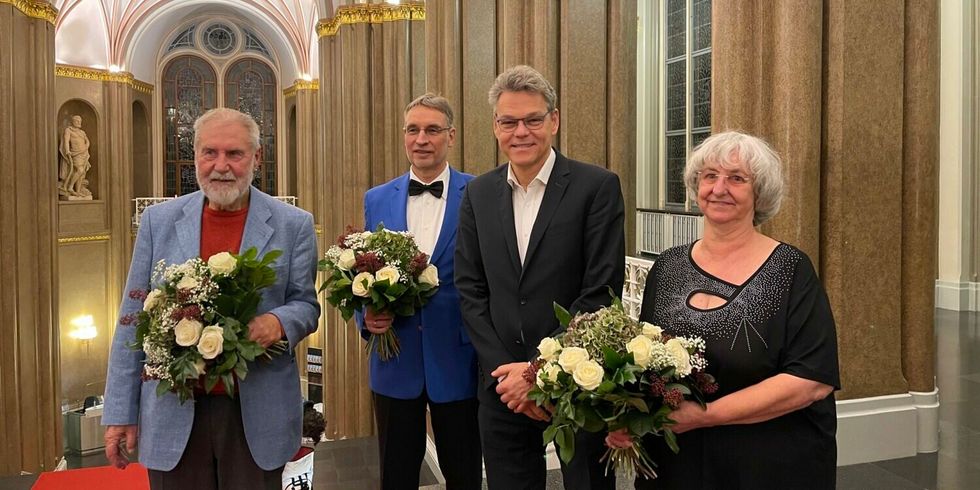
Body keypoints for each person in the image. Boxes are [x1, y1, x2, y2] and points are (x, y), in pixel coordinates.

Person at [102, 107, 321, 490]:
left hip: (255, 414)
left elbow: (306, 304)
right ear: (196, 156)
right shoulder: (158, 221)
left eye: (234, 154)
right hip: (174, 410)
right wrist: (120, 411)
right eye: (210, 152)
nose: (222, 165)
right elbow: (132, 318)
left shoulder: (294, 224)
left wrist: (279, 322)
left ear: (256, 157)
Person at [608, 131, 840, 489]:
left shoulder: (790, 269)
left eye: (737, 178)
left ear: (758, 192)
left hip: (769, 465)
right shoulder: (667, 267)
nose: (719, 188)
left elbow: (811, 381)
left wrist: (705, 416)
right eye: (710, 176)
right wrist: (631, 418)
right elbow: (648, 366)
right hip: (677, 464)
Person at [454, 65, 625, 490]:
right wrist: (508, 375)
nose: (521, 131)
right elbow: (470, 288)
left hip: (577, 378)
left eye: (533, 119)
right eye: (509, 121)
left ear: (554, 120)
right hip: (501, 387)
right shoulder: (478, 193)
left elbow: (601, 290)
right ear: (496, 126)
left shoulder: (596, 187)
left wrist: (538, 371)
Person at [359, 93, 482, 490]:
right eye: (413, 130)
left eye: (432, 130)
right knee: (395, 475)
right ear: (403, 136)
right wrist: (367, 317)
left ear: (451, 136)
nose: (421, 139)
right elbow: (363, 272)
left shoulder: (480, 194)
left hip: (459, 359)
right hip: (395, 362)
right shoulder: (376, 198)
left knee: (464, 473)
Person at [59, 114, 92, 198]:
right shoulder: (69, 130)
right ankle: (70, 187)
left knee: (82, 173)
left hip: (84, 154)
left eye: (80, 121)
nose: (78, 122)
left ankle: (78, 191)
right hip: (75, 153)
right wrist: (67, 151)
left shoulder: (82, 132)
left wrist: (86, 147)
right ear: (72, 122)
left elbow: (87, 141)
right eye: (77, 121)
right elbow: (66, 141)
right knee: (80, 170)